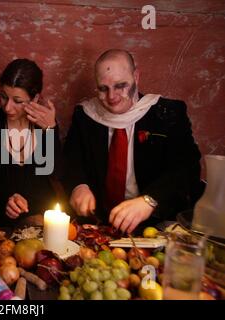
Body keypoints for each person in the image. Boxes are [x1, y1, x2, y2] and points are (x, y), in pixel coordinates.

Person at [63, 49, 202, 234]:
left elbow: (186, 168)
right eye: (103, 88)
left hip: (155, 224)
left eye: (121, 85)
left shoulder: (168, 113)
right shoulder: (85, 115)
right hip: (100, 223)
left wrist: (150, 200)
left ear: (136, 77)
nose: (112, 97)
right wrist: (78, 186)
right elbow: (72, 162)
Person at [0, 58, 63, 227]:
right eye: (3, 97)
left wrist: (51, 131)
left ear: (35, 98)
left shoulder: (45, 126)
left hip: (43, 221)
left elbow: (58, 173)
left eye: (17, 101)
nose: (8, 107)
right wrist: (7, 200)